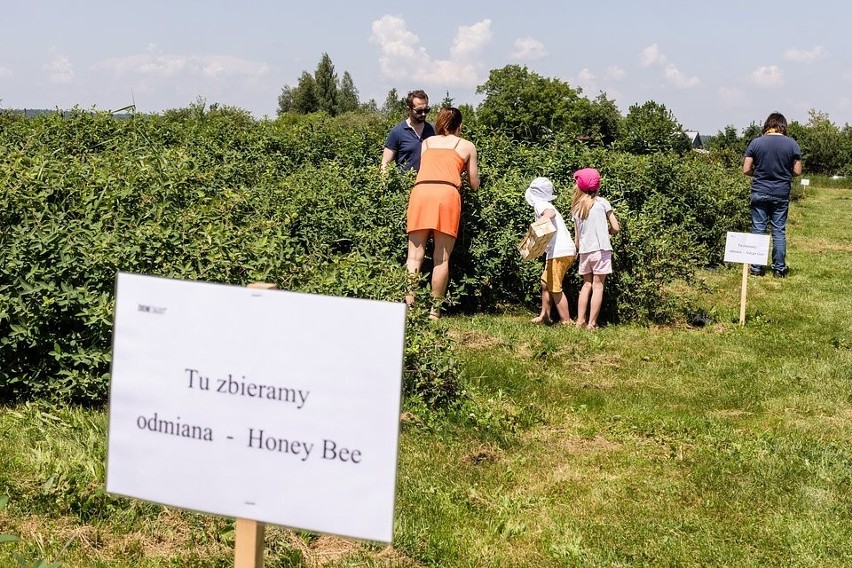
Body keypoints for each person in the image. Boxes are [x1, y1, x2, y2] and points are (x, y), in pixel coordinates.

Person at [405, 106, 479, 319]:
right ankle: (434, 312)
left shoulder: (427, 142)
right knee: (441, 258)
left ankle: (410, 309)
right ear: (460, 126)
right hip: (446, 194)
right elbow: (474, 184)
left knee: (414, 257)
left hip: (421, 192)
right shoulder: (467, 145)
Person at [742, 112, 803, 278]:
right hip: (781, 192)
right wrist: (783, 173)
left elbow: (746, 169)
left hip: (760, 190)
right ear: (783, 125)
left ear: (767, 125)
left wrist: (760, 173)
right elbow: (797, 171)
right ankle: (778, 269)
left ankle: (756, 269)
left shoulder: (756, 143)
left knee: (758, 229)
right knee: (778, 231)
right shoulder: (792, 144)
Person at [571, 168, 619, 330]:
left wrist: (576, 252)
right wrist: (610, 232)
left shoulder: (576, 208)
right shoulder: (603, 203)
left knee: (586, 285)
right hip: (601, 250)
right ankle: (592, 323)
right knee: (598, 286)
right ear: (598, 186)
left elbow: (577, 239)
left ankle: (579, 321)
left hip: (585, 252)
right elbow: (616, 227)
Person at [524, 177, 577, 325]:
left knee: (554, 286)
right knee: (545, 282)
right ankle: (545, 315)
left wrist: (541, 221)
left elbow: (549, 213)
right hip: (559, 251)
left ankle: (567, 321)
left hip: (560, 251)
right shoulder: (545, 203)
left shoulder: (541, 204)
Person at [381, 90, 435, 173]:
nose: (423, 114)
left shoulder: (433, 130)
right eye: (419, 111)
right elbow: (385, 163)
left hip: (428, 183)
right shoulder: (397, 132)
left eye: (426, 110)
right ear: (408, 109)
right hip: (405, 184)